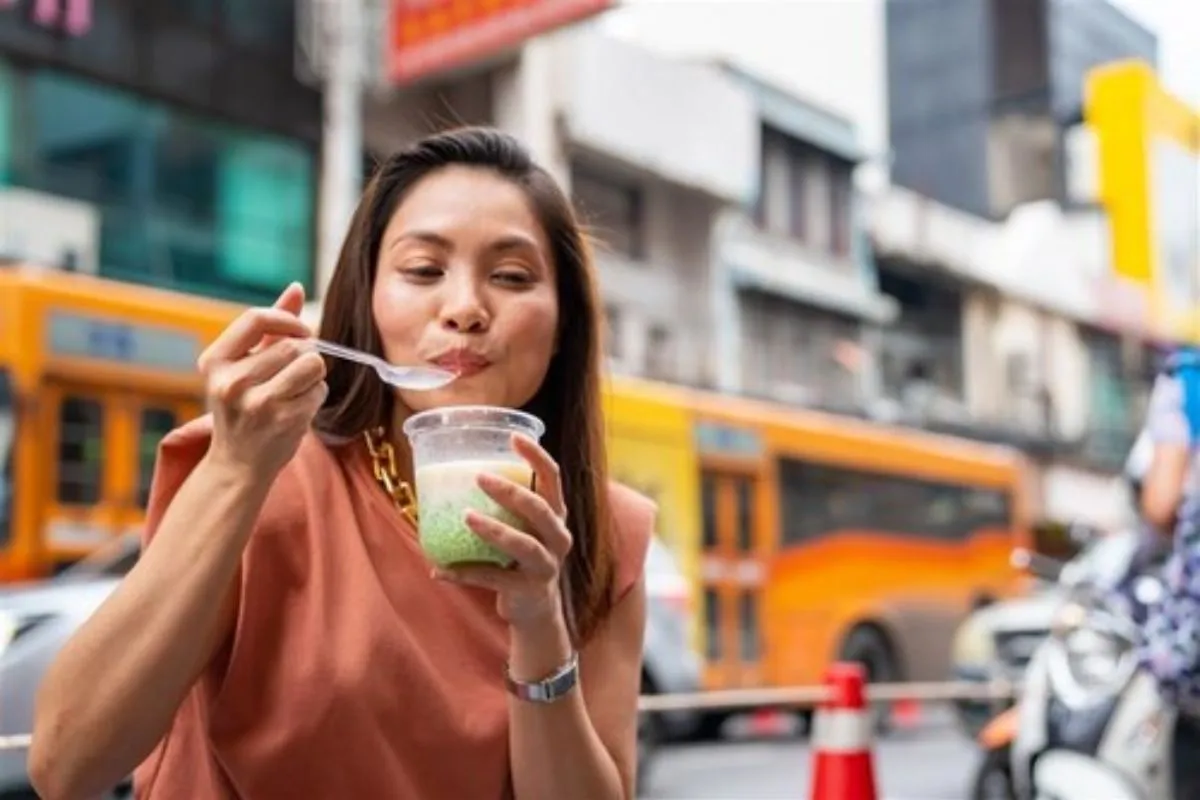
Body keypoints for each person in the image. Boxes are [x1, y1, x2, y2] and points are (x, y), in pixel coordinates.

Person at [29, 127, 655, 800]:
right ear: (368, 299)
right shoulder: (267, 467)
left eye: (511, 276)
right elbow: (68, 765)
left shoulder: (600, 532)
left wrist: (539, 621)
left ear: (563, 323)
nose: (466, 309)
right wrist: (235, 472)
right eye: (423, 270)